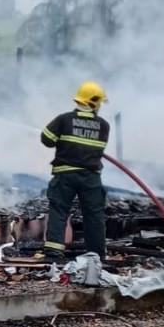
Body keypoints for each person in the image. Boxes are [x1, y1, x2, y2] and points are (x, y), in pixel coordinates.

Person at [40, 81, 110, 259]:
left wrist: (61, 137)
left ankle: (54, 249)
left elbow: (46, 139)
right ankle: (96, 254)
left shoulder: (64, 119)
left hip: (66, 175)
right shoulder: (104, 125)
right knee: (94, 215)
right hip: (91, 178)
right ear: (94, 102)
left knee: (59, 209)